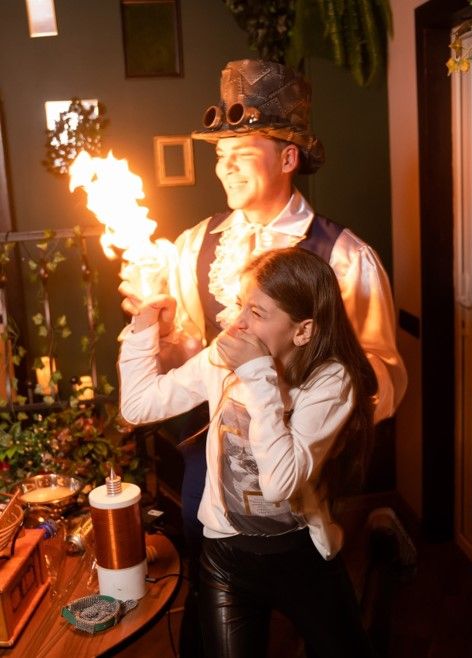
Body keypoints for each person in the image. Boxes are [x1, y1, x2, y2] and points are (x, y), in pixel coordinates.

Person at [120, 58, 408, 656]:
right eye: (219, 154)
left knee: (319, 604)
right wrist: (165, 337)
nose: (223, 166)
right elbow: (191, 355)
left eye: (241, 153)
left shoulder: (345, 257)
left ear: (287, 157)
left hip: (303, 469)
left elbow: (382, 378)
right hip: (211, 464)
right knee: (211, 597)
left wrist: (303, 387)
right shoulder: (192, 246)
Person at [119, 247, 378, 658]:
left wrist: (257, 374)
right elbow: (138, 406)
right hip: (226, 560)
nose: (237, 323)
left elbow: (279, 486)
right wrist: (144, 326)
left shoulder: (330, 381)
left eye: (256, 313)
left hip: (301, 556)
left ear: (303, 331)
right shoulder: (223, 358)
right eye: (240, 305)